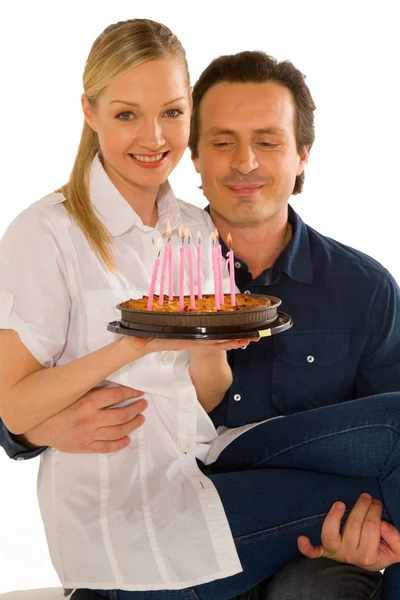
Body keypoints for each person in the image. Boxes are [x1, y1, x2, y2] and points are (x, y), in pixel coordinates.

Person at [1, 19, 400, 600]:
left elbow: (205, 393)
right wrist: (124, 352)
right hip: (137, 513)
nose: (244, 165)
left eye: (169, 113)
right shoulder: (49, 230)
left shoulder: (193, 232)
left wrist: (206, 343)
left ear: (302, 155)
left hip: (216, 493)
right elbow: (12, 407)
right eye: (126, 114)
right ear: (90, 112)